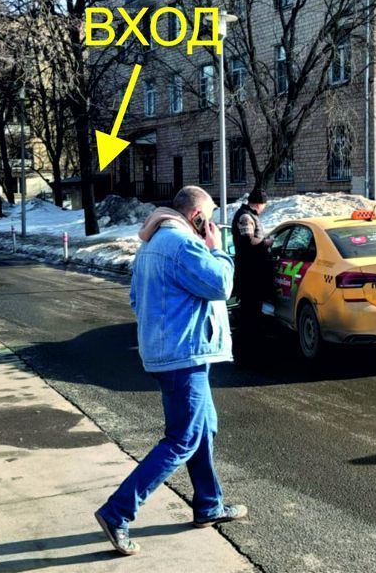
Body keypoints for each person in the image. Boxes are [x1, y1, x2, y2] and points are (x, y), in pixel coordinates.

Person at [94, 186, 247, 555]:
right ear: (198, 217)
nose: (212, 225)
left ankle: (208, 504)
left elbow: (136, 299)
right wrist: (217, 249)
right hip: (183, 357)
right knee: (182, 438)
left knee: (203, 429)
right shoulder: (183, 244)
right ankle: (117, 512)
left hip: (173, 353)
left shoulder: (152, 245)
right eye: (209, 218)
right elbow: (221, 285)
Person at [232, 189, 273, 327]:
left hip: (250, 268)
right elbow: (248, 240)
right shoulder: (246, 217)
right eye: (264, 205)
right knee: (251, 305)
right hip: (249, 270)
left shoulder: (248, 215)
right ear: (259, 204)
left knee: (252, 305)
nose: (263, 209)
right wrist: (266, 242)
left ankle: (250, 330)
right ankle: (249, 334)